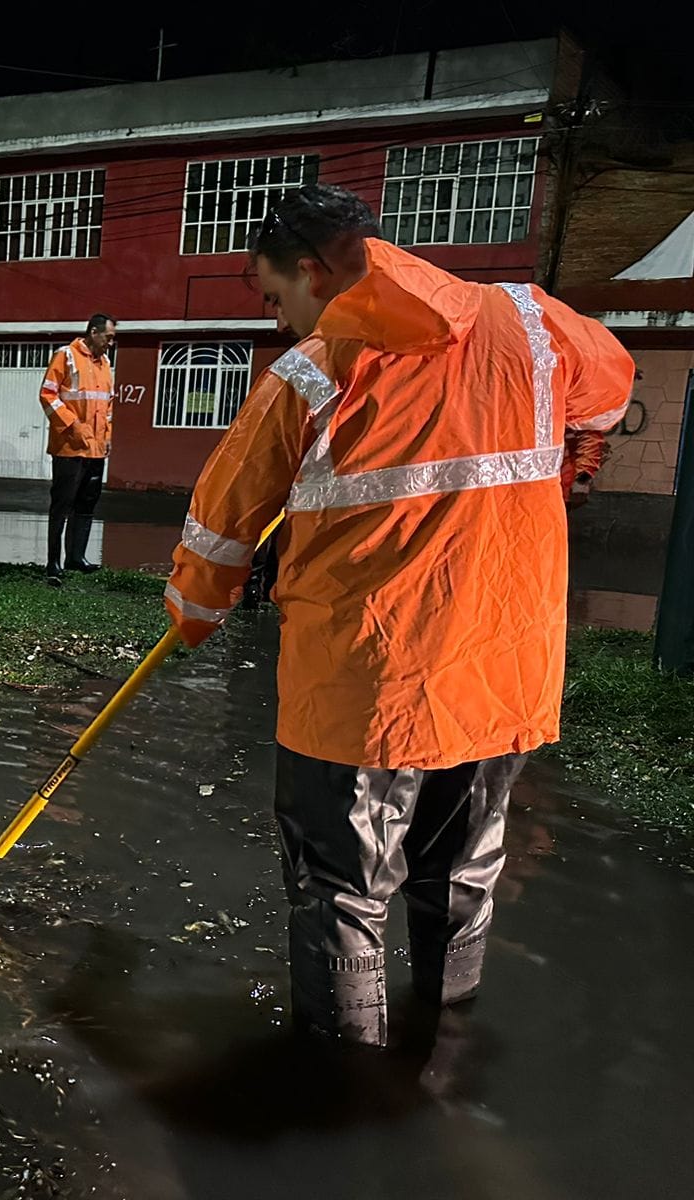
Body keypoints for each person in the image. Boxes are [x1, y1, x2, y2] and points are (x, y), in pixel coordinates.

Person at [164, 185, 633, 1047]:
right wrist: (571, 461)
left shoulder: (312, 373)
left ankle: (348, 1086)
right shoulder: (532, 325)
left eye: (276, 298)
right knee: (462, 873)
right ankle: (443, 1044)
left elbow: (219, 528)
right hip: (499, 676)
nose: (278, 320)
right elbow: (607, 392)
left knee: (340, 889)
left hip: (359, 695)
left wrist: (193, 615)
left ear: (313, 272)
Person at [39, 314, 116, 584]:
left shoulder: (105, 363)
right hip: (69, 448)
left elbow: (107, 405)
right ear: (93, 333)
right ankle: (53, 562)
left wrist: (106, 437)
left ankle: (76, 557)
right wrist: (73, 426)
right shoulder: (66, 356)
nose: (110, 343)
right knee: (62, 504)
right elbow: (47, 394)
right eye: (108, 337)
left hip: (95, 450)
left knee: (86, 504)